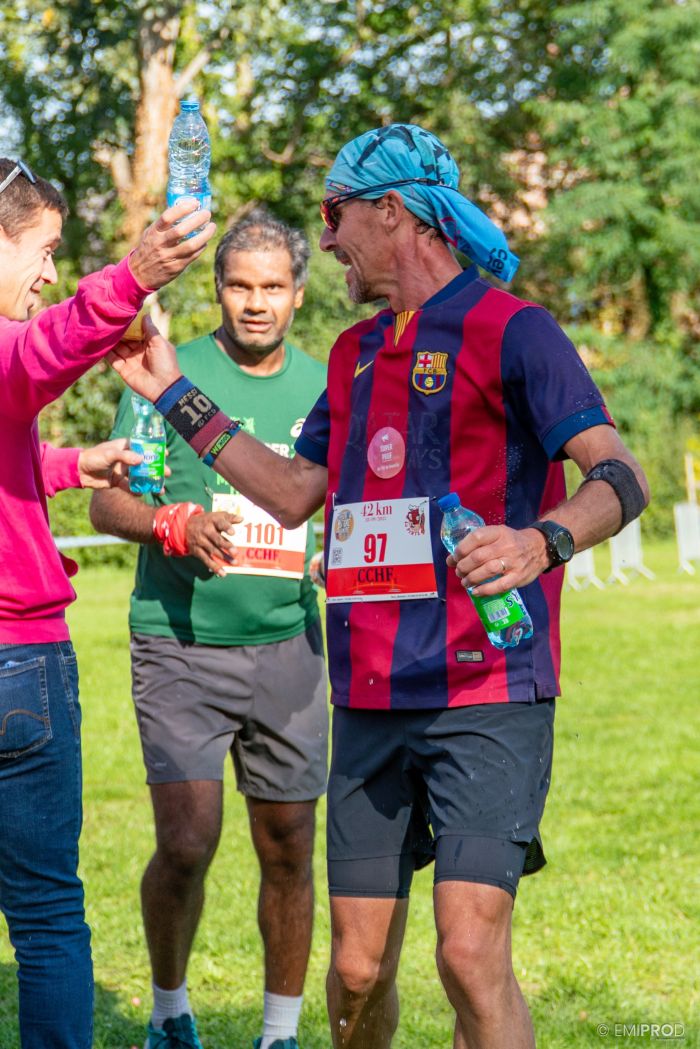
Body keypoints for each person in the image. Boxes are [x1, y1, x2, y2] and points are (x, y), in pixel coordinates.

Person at [108, 124, 650, 1049]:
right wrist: (171, 394)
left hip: (487, 690)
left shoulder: (517, 329)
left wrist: (541, 541)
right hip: (366, 697)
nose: (324, 240)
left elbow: (619, 476)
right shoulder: (355, 354)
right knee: (357, 970)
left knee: (469, 953)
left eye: (334, 216)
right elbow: (288, 493)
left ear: (391, 211)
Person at [90, 209, 328, 1049]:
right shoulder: (169, 373)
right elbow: (106, 496)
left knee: (290, 845)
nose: (255, 303)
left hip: (290, 647)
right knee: (187, 843)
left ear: (298, 294)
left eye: (272, 287)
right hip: (179, 640)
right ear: (218, 289)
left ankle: (280, 1033)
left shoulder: (326, 388)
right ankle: (169, 1011)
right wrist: (169, 523)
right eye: (239, 285)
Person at [0, 155, 215, 1049]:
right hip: (19, 663)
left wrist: (66, 465)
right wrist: (131, 277)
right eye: (43, 250)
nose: (50, 272)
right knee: (49, 915)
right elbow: (41, 353)